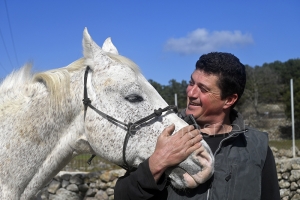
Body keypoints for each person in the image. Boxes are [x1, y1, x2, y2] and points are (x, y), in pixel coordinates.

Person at [114, 52, 280, 200]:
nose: (191, 93)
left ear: (229, 100)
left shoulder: (257, 147)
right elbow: (123, 195)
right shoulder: (164, 133)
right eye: (191, 83)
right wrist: (157, 163)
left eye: (203, 89)